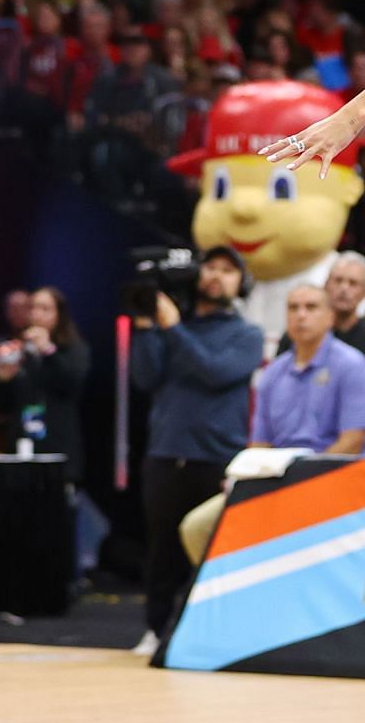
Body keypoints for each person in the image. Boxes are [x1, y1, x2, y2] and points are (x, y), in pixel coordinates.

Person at [128, 245, 261, 658]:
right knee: (161, 549)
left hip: (217, 457)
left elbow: (215, 372)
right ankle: (154, 628)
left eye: (228, 270)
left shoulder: (247, 335)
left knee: (212, 549)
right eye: (211, 268)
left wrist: (171, 329)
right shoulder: (174, 327)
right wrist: (148, 326)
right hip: (166, 454)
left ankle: (206, 630)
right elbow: (144, 376)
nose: (216, 276)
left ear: (242, 283)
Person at [251, 285, 365, 456]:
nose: (301, 315)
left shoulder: (353, 366)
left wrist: (307, 475)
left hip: (337, 474)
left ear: (330, 317)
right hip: (281, 474)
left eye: (311, 307)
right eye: (293, 308)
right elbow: (260, 443)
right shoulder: (272, 373)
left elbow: (354, 442)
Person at [0, 284, 91, 478]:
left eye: (45, 309)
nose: (37, 314)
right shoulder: (18, 350)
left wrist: (48, 351)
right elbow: (1, 406)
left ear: (59, 314)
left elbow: (72, 384)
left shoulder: (72, 349)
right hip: (22, 447)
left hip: (59, 448)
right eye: (32, 307)